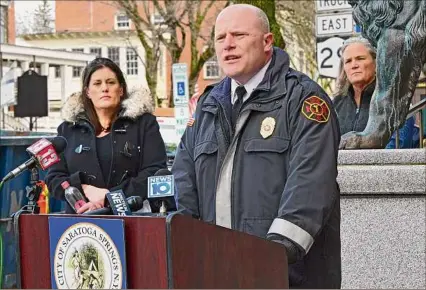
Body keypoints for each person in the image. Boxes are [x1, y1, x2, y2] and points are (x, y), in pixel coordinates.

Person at [171, 4, 341, 288]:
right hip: (219, 273)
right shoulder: (207, 106)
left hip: (287, 276)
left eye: (238, 35)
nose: (228, 45)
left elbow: (310, 187)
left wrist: (268, 257)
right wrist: (191, 246)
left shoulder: (304, 101)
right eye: (220, 37)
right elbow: (184, 175)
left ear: (267, 42)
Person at [45, 57, 167, 214]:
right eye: (97, 83)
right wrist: (82, 189)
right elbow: (54, 179)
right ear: (87, 92)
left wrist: (110, 197)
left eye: (111, 82)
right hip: (81, 223)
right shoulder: (68, 130)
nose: (105, 88)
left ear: (121, 89)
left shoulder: (143, 124)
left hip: (132, 217)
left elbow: (154, 172)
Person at [333, 36, 415, 148]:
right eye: (348, 61)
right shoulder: (335, 104)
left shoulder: (394, 99)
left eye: (360, 58)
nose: (354, 65)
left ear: (376, 63)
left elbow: (397, 148)